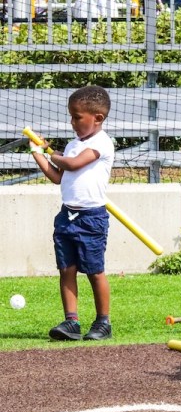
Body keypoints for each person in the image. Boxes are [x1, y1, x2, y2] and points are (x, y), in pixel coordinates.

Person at [29, 86, 115, 342]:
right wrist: (37, 154)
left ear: (97, 118)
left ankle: (103, 322)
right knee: (66, 269)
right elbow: (58, 176)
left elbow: (74, 164)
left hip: (91, 218)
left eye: (78, 117)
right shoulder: (72, 145)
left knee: (94, 270)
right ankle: (72, 321)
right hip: (67, 216)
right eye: (71, 116)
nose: (72, 122)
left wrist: (48, 152)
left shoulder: (102, 143)